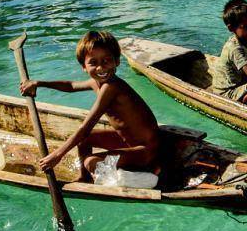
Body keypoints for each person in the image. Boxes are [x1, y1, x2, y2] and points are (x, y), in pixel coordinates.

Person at [20, 30, 161, 181]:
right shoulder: (97, 82)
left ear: (117, 61)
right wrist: (39, 83)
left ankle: (143, 173)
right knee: (84, 140)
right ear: (84, 66)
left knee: (90, 161)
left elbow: (85, 128)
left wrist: (57, 154)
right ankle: (85, 177)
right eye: (93, 63)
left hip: (146, 152)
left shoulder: (111, 87)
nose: (101, 68)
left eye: (106, 61)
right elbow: (71, 85)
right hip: (129, 143)